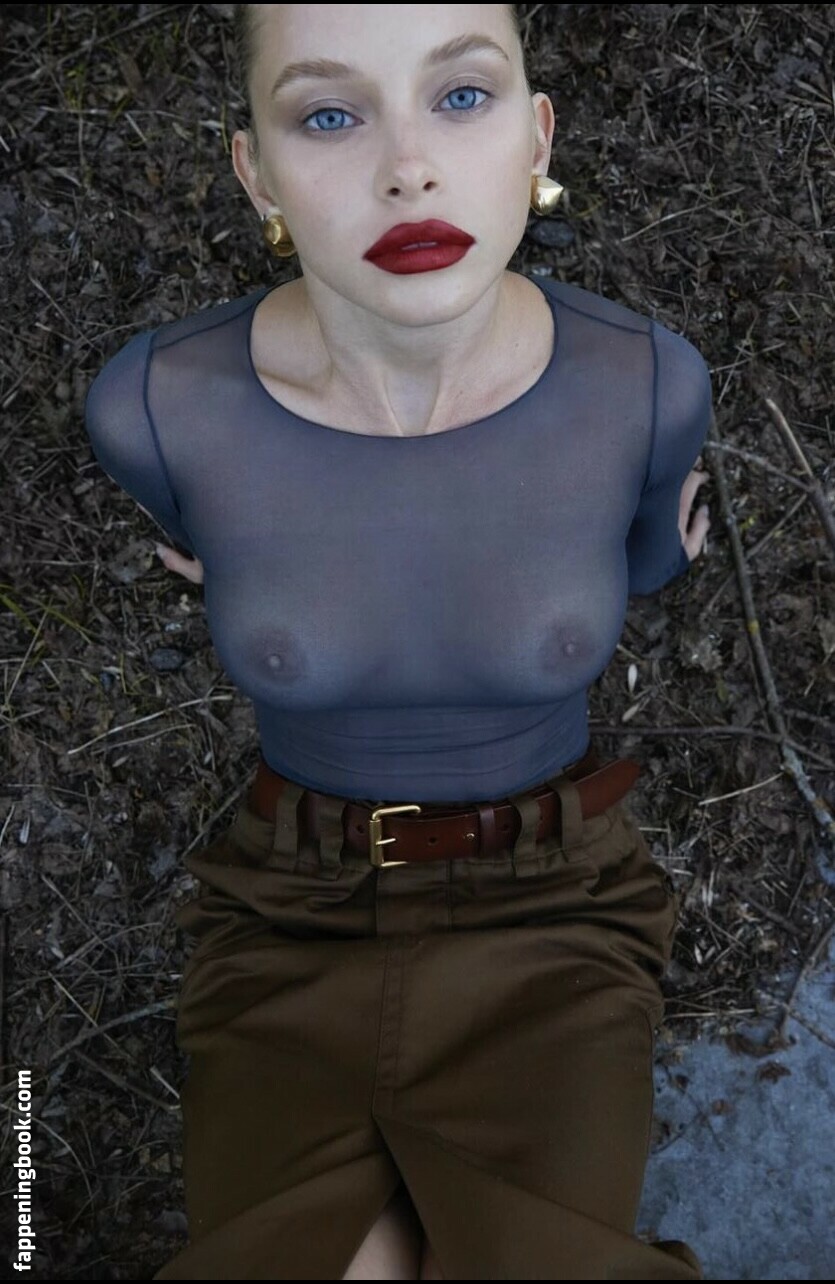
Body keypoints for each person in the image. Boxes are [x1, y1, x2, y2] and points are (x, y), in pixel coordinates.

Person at [84, 5, 713, 1279]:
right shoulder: (156, 411)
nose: (407, 168)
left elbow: (644, 558)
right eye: (329, 114)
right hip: (285, 909)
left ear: (537, 135)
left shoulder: (645, 385)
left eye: (461, 97)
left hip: (559, 907)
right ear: (256, 171)